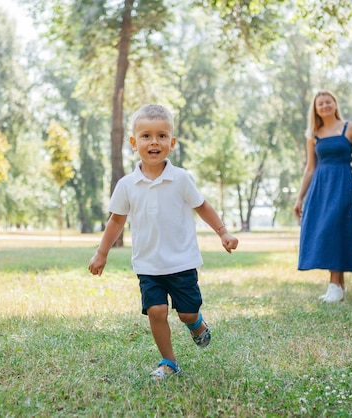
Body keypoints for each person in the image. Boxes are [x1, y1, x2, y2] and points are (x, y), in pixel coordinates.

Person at [88, 104, 239, 380]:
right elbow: (116, 221)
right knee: (156, 311)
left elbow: (202, 206)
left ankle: (195, 323)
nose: (154, 142)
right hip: (148, 264)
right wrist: (102, 253)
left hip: (181, 262)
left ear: (172, 142)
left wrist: (222, 232)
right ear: (134, 143)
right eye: (146, 136)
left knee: (186, 313)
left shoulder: (181, 178)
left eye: (161, 135)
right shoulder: (126, 185)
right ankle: (169, 361)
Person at [294, 91, 352, 302]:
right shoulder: (313, 134)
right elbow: (309, 168)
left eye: (328, 102)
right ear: (315, 109)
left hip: (343, 183)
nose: (324, 106)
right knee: (326, 230)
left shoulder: (349, 128)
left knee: (337, 227)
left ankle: (334, 284)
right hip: (320, 187)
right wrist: (300, 197)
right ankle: (338, 286)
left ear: (335, 103)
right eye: (320, 104)